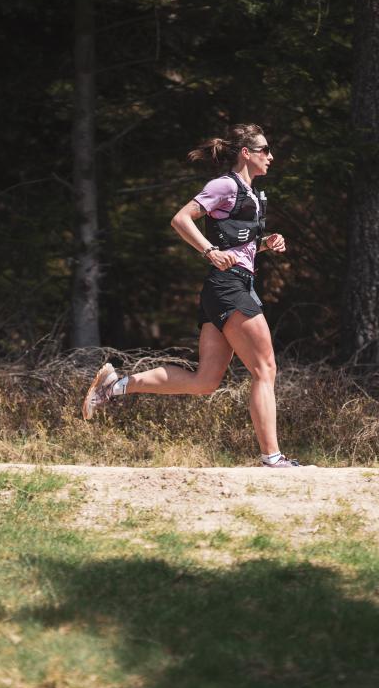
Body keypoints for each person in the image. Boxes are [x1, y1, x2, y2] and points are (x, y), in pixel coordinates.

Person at [81, 123, 307, 468]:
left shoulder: (251, 194)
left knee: (204, 382)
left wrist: (266, 243)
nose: (271, 156)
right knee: (265, 369)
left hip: (227, 286)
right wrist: (209, 251)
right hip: (229, 286)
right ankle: (272, 458)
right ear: (246, 153)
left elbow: (237, 245)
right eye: (265, 150)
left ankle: (114, 386)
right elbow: (181, 219)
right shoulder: (225, 185)